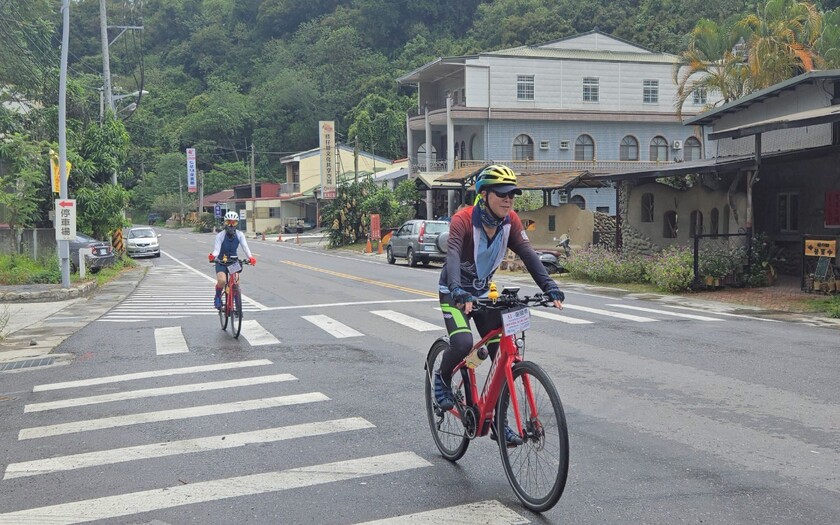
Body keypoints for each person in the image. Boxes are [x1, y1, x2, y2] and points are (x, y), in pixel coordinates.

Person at [434, 164, 565, 446]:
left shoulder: (511, 222)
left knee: (502, 356)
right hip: (453, 291)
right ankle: (442, 379)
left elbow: (529, 255)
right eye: (502, 193)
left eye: (512, 195)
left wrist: (550, 287)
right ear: (484, 194)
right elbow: (453, 255)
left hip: (482, 295)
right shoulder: (464, 220)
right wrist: (457, 290)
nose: (508, 199)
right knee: (462, 343)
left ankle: (498, 423)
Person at [208, 211, 256, 309]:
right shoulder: (220, 235)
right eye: (228, 222)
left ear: (236, 224)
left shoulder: (240, 234)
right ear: (225, 223)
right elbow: (217, 250)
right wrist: (213, 256)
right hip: (222, 261)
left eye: (233, 223)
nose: (231, 225)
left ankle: (236, 303)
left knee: (236, 282)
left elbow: (245, 247)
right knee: (221, 281)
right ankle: (217, 297)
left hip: (233, 261)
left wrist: (250, 257)